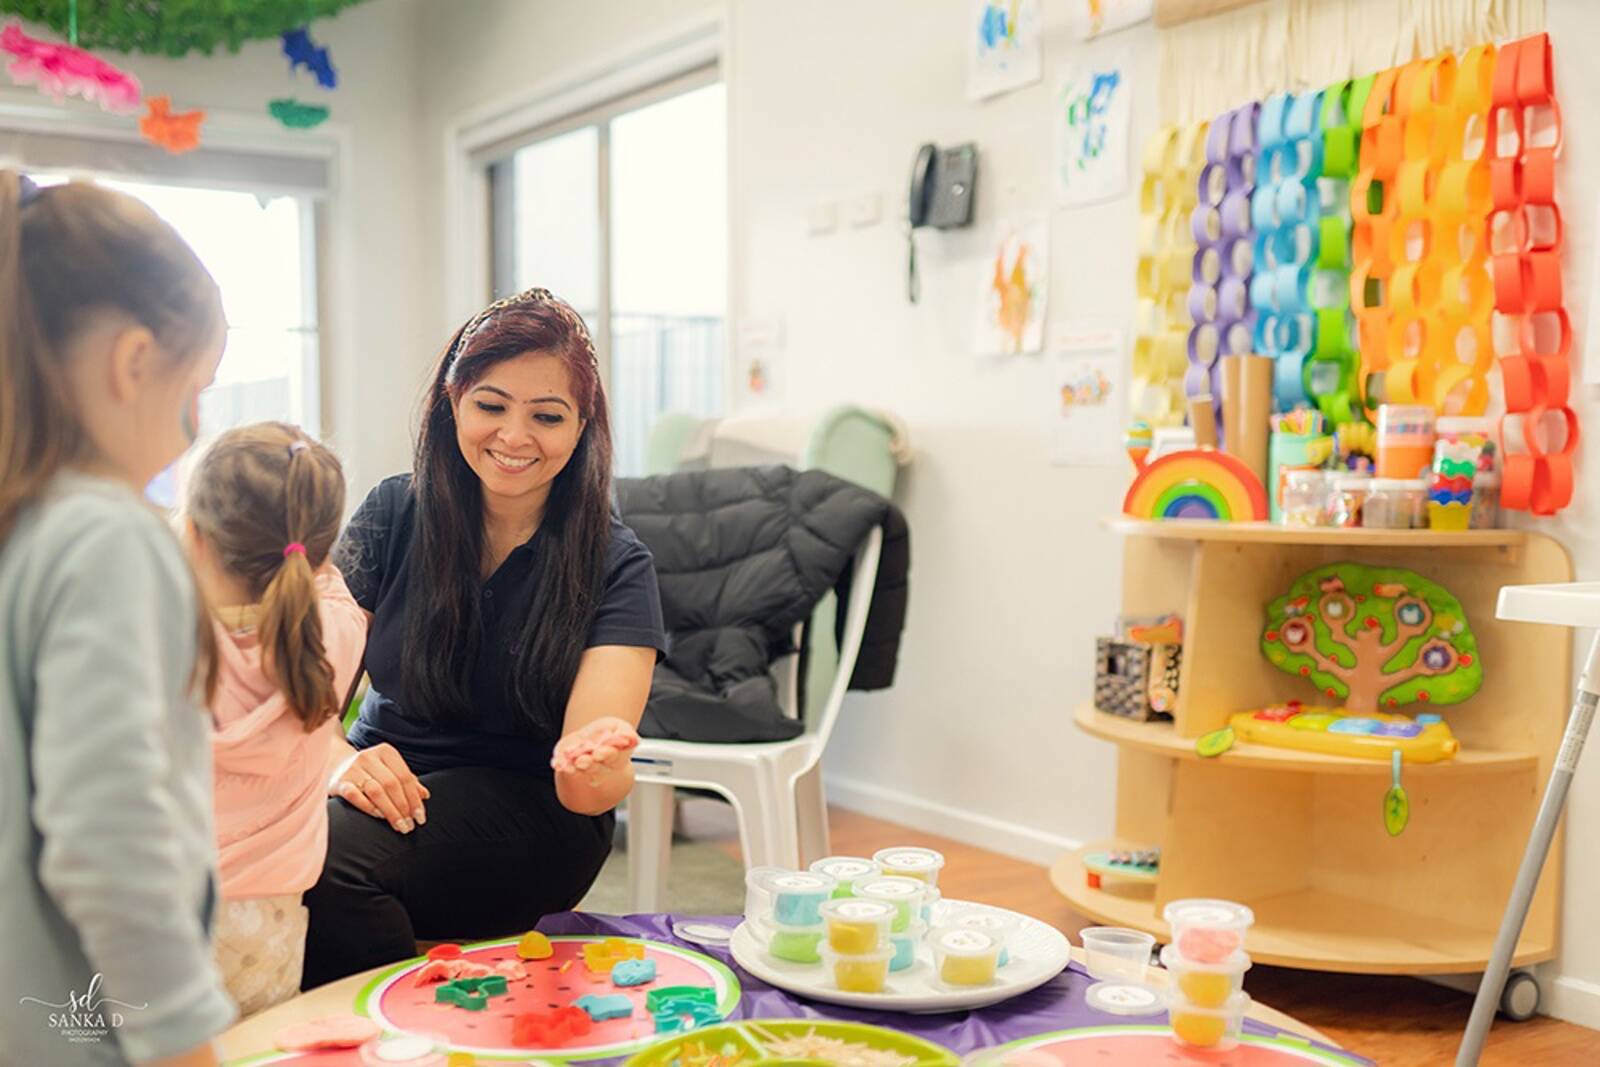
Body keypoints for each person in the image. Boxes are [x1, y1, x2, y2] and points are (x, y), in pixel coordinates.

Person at [302, 288, 666, 989]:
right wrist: (335, 754)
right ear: (454, 402)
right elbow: (309, 687)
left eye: (547, 416)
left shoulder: (617, 564)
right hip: (385, 778)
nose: (514, 436)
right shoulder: (393, 511)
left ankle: (413, 1031)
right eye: (491, 406)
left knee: (321, 856)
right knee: (249, 839)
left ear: (582, 425)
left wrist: (591, 764)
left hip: (530, 808)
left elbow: (594, 787)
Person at [0, 172, 235, 1066]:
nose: (194, 428)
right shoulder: (106, 536)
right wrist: (180, 1031)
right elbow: (110, 827)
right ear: (135, 363)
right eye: (197, 391)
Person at [182, 422, 367, 1016]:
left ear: (194, 537)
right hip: (273, 925)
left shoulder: (166, 638)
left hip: (166, 912)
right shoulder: (336, 633)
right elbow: (323, 583)